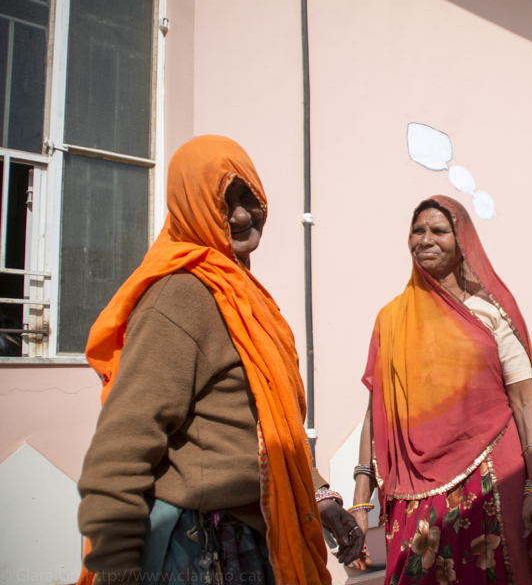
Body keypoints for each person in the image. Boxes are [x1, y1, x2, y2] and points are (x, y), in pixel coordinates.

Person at [76, 136, 363, 585]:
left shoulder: (244, 297)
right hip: (204, 549)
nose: (242, 214)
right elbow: (124, 444)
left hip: (256, 535)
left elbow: (268, 425)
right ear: (190, 206)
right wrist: (115, 565)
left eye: (248, 195)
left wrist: (321, 496)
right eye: (222, 201)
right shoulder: (180, 296)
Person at [348, 195, 532, 585]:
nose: (425, 239)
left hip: (489, 479)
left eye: (438, 230)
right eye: (417, 231)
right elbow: (376, 414)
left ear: (462, 240)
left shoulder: (491, 311)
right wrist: (360, 498)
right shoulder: (389, 319)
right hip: (412, 492)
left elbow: (524, 400)